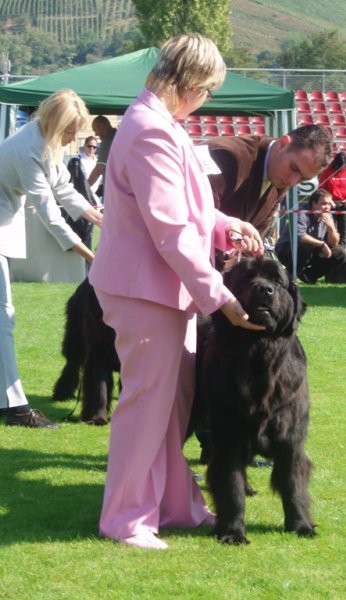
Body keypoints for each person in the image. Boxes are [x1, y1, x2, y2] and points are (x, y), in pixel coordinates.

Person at [88, 33, 265, 551]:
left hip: (161, 292)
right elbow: (170, 229)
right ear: (189, 84)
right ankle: (125, 519)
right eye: (207, 90)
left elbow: (188, 208)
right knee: (146, 406)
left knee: (172, 406)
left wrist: (225, 223)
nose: (207, 100)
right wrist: (222, 298)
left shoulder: (160, 125)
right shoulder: (150, 131)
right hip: (145, 292)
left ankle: (175, 506)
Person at [0, 88, 103, 428]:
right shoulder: (28, 150)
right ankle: (13, 407)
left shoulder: (42, 140)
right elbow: (50, 214)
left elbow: (63, 188)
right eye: (71, 131)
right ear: (57, 124)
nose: (75, 137)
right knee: (4, 319)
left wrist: (99, 216)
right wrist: (90, 255)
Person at [204, 124, 332, 237]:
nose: (293, 181)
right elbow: (199, 221)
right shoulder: (225, 155)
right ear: (283, 144)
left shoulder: (280, 175)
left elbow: (255, 236)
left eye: (303, 179)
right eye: (294, 168)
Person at [275, 188, 346, 284]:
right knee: (304, 247)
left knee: (340, 252)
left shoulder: (328, 216)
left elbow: (333, 243)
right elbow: (300, 236)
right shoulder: (301, 213)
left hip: (313, 250)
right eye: (324, 204)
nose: (327, 207)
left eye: (329, 204)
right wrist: (322, 245)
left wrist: (331, 228)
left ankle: (310, 276)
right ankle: (289, 278)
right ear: (314, 204)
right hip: (287, 249)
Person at [318, 151, 346, 247]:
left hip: (343, 204)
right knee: (331, 228)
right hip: (331, 204)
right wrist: (329, 200)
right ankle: (330, 247)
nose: (341, 169)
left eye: (343, 166)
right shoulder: (327, 171)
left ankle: (342, 249)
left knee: (343, 229)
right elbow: (321, 188)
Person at [87, 115, 117, 191]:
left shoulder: (108, 140)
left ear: (102, 126)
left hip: (113, 191)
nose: (96, 134)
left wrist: (85, 188)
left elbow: (99, 169)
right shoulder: (118, 135)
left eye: (95, 130)